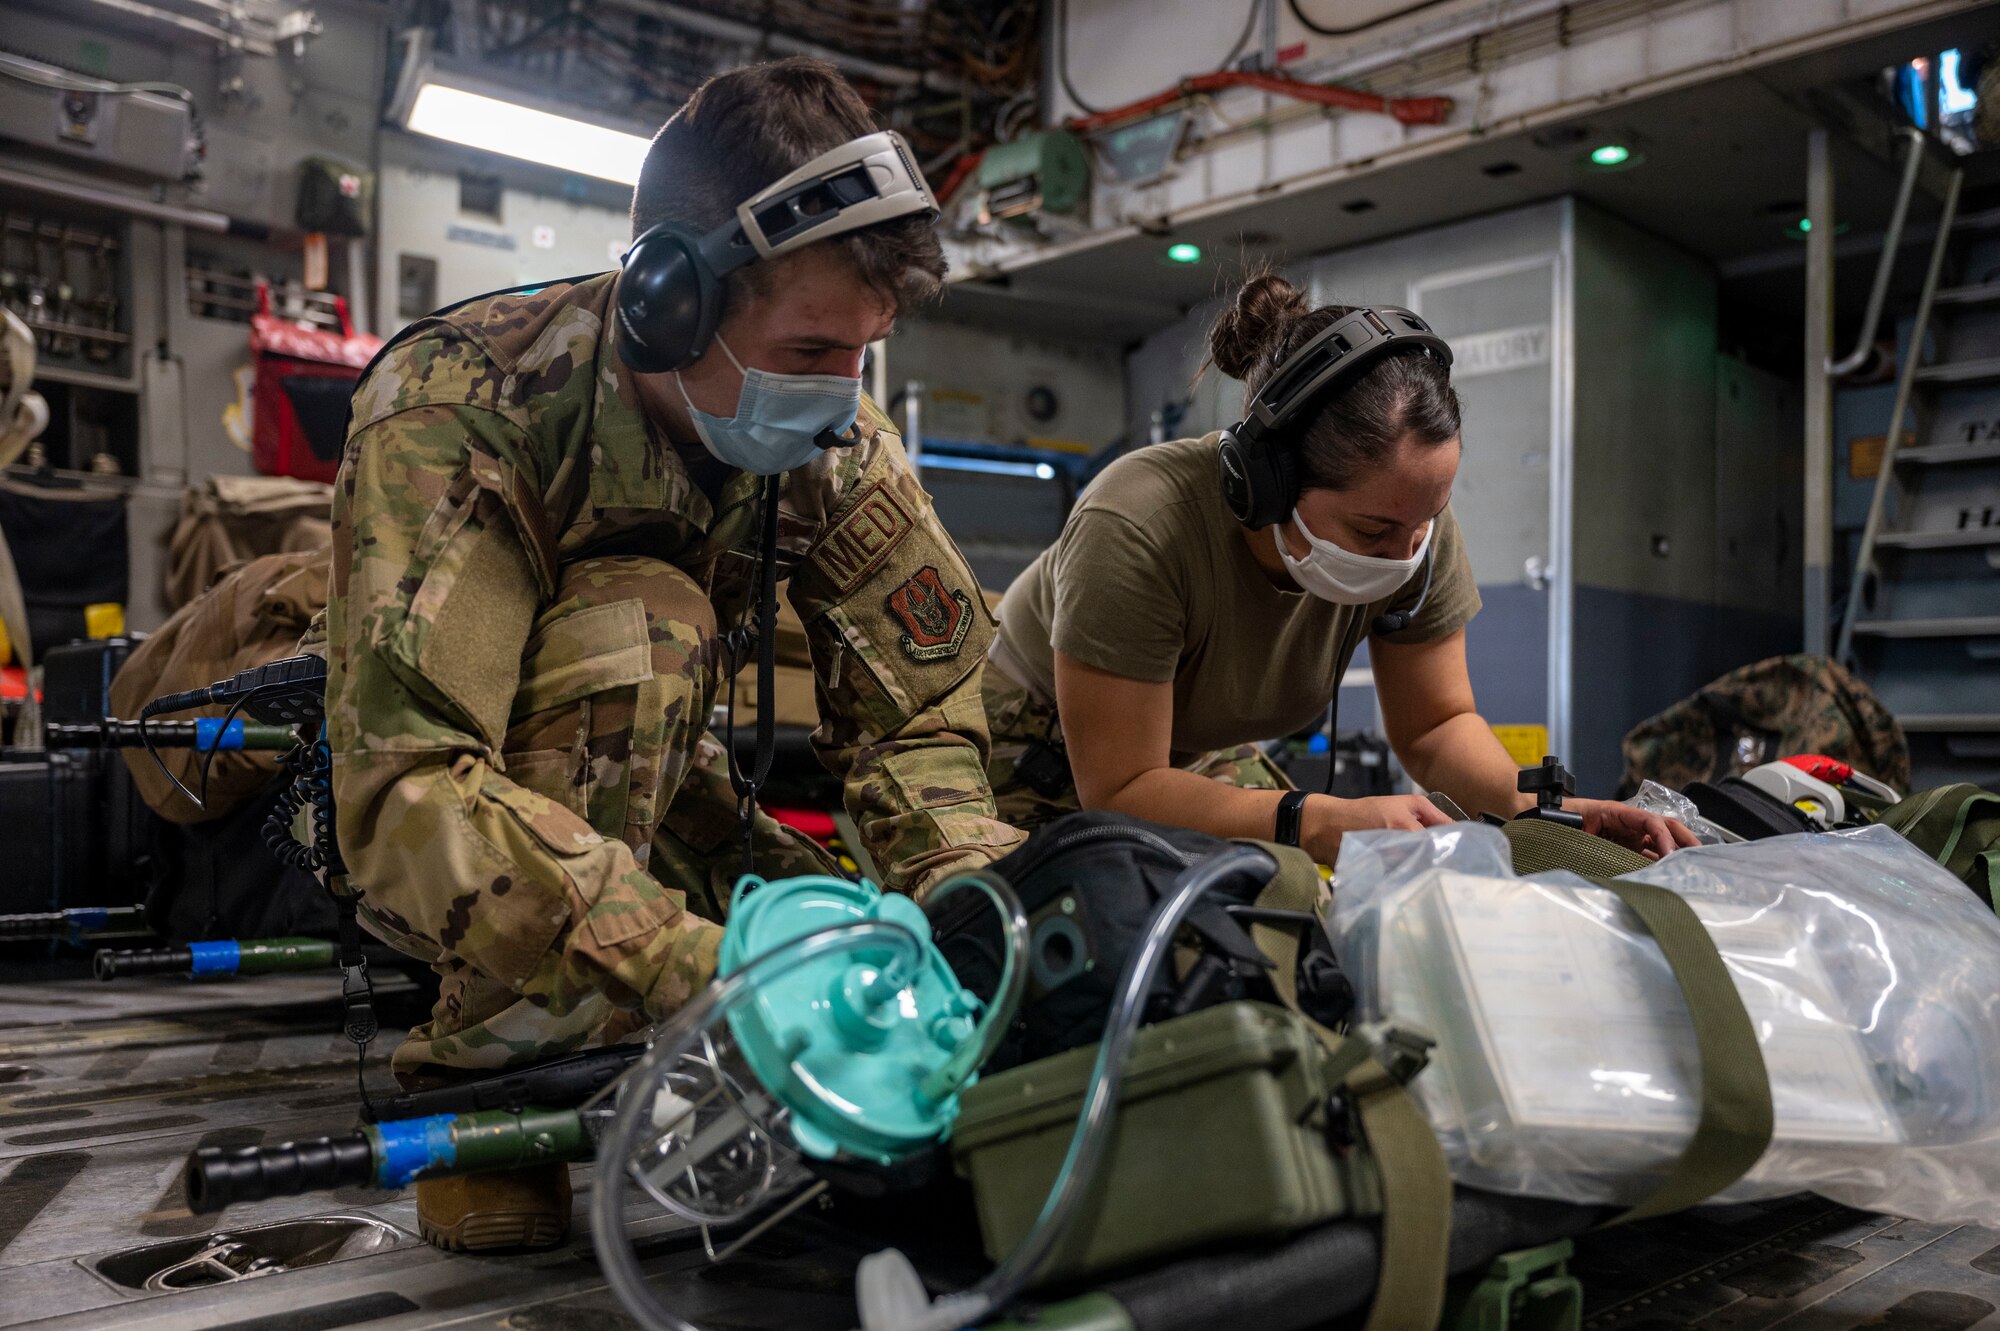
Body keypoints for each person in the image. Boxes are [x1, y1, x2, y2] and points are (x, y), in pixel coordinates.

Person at [324, 58, 1021, 1251]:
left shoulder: (829, 433)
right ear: (667, 299)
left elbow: (923, 716)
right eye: (808, 349)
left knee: (838, 924)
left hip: (642, 769)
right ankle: (495, 1069)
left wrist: (970, 904)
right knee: (639, 623)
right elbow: (404, 785)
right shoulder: (464, 402)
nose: (842, 399)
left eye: (864, 353)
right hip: (406, 767)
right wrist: (688, 961)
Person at [982, 271, 1696, 866]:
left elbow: (1438, 726)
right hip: (1023, 744)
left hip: (1180, 759)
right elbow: (1121, 785)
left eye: (1425, 520)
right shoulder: (1139, 523)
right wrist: (1316, 819)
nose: (1406, 551)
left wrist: (1553, 816)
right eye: (1374, 529)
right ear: (1267, 480)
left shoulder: (1413, 526)